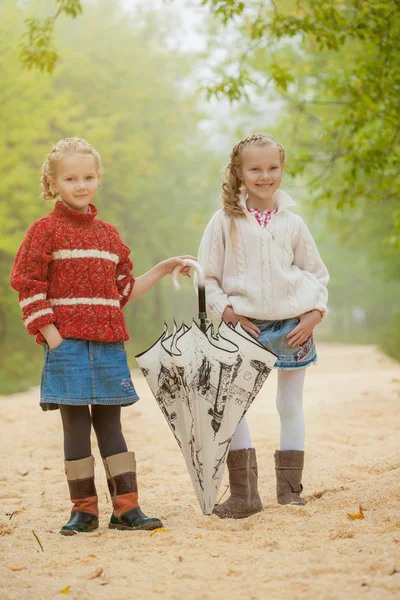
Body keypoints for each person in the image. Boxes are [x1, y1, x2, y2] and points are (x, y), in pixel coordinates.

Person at [10, 137, 194, 535]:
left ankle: (127, 508)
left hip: (109, 344)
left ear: (98, 179)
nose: (81, 185)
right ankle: (85, 511)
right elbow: (28, 285)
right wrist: (52, 335)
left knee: (112, 426)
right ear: (53, 183)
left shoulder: (108, 236)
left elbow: (122, 291)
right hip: (68, 345)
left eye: (88, 177)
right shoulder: (45, 231)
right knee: (75, 426)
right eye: (71, 178)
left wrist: (162, 268)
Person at [197, 133, 329, 518]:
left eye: (273, 168)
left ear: (282, 170)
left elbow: (316, 274)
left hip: (293, 326)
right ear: (239, 172)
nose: (265, 175)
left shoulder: (293, 223)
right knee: (232, 406)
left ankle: (290, 492)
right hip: (243, 326)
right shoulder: (224, 221)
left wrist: (314, 314)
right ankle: (245, 496)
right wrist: (227, 313)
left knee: (289, 403)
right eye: (255, 168)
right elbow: (207, 277)